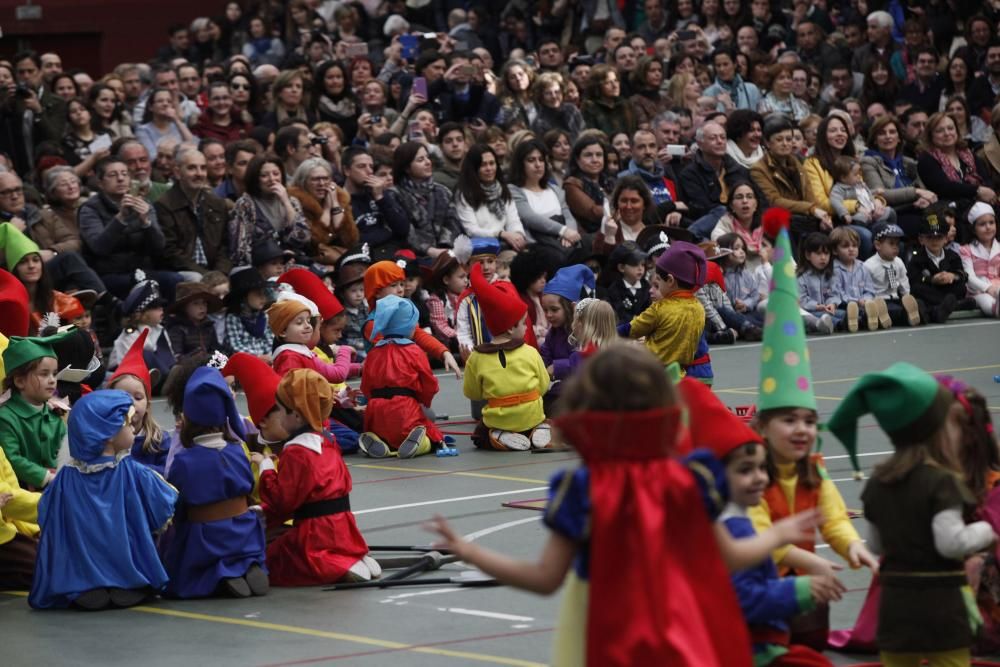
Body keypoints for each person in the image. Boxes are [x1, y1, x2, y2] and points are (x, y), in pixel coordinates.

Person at [430, 345, 762, 666]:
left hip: (612, 642)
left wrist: (470, 551)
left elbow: (545, 578)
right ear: (664, 405)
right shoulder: (688, 480)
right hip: (682, 635)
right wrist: (782, 534)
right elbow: (730, 557)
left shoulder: (584, 490)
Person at [750, 214, 878, 650]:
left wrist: (852, 548)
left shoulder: (812, 468)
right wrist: (818, 565)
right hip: (759, 586)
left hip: (804, 581)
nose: (802, 430)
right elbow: (765, 541)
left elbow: (833, 515)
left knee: (810, 647)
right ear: (763, 427)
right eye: (789, 420)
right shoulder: (751, 476)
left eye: (808, 420)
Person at [828, 363, 996, 667]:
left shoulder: (879, 482)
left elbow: (877, 546)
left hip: (894, 608)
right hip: (940, 609)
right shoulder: (942, 482)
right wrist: (985, 531)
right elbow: (951, 543)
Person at [682, 379, 844, 667]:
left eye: (761, 468)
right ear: (716, 477)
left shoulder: (729, 519)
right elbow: (743, 600)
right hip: (750, 649)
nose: (759, 478)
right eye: (745, 470)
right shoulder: (735, 528)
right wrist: (801, 590)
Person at [28, 389, 178, 610]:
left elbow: (48, 511)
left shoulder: (67, 478)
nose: (132, 428)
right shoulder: (130, 471)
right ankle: (126, 582)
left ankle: (87, 585)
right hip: (124, 552)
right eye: (127, 425)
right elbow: (163, 499)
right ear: (108, 434)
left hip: (82, 561)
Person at [251, 369, 379, 584]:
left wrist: (266, 467)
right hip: (344, 527)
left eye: (282, 410)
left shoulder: (296, 451)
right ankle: (355, 557)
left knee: (275, 559)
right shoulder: (327, 442)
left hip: (316, 532)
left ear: (297, 415)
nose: (279, 415)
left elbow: (283, 502)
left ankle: (338, 566)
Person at [160, 367, 267, 599]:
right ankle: (247, 565)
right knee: (241, 542)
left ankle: (221, 575)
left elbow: (178, 502)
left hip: (206, 535)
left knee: (186, 555)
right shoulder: (238, 451)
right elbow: (248, 486)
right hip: (244, 529)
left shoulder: (184, 461)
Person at [462, 263, 550, 451]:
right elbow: (543, 385)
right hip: (531, 414)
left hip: (499, 418)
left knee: (480, 436)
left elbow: (472, 393)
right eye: (523, 324)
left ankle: (501, 435)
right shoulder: (530, 352)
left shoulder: (477, 357)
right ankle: (538, 429)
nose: (526, 328)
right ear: (511, 328)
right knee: (539, 416)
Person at [78, 157, 181, 301]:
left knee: (175, 280)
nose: (120, 179)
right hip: (110, 274)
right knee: (142, 286)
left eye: (124, 174)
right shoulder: (90, 209)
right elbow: (98, 247)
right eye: (113, 175)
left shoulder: (144, 204)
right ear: (101, 183)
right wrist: (120, 218)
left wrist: (146, 222)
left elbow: (159, 247)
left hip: (143, 271)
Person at [358, 296, 443, 459]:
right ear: (407, 325)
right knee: (431, 434)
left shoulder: (373, 353)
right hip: (405, 408)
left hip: (376, 412)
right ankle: (420, 442)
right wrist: (424, 401)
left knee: (385, 433)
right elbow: (429, 383)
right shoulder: (414, 350)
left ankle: (378, 439)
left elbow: (366, 387)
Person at [624, 241, 707, 371]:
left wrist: (608, 333)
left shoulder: (661, 308)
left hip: (654, 373)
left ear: (670, 280)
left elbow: (631, 330)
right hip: (680, 374)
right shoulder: (699, 308)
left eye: (659, 280)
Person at [801, 115, 874, 258]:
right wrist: (855, 205)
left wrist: (877, 202)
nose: (840, 133)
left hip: (862, 215)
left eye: (843, 130)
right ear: (823, 136)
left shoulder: (853, 161)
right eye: (833, 130)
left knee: (889, 231)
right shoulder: (812, 163)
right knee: (864, 236)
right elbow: (820, 202)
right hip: (833, 221)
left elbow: (863, 189)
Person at [0, 333, 66, 489]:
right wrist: (45, 477)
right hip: (20, 491)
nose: (52, 380)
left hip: (57, 485)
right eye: (44, 374)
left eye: (55, 374)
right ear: (20, 381)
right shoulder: (6, 417)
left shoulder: (53, 413)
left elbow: (65, 448)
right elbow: (11, 458)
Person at [157, 146, 232, 280]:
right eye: (192, 168)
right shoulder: (164, 205)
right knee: (195, 278)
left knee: (245, 273)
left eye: (203, 168)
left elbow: (224, 246)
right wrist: (206, 276)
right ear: (177, 172)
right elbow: (170, 252)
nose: (199, 173)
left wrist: (220, 273)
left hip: (216, 271)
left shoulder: (217, 203)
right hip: (184, 271)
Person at [861, 116, 937, 239]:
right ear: (875, 139)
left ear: (899, 138)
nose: (888, 136)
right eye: (882, 133)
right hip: (895, 214)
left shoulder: (908, 163)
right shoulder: (868, 162)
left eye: (892, 132)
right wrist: (916, 193)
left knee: (938, 226)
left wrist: (924, 200)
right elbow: (880, 195)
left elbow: (924, 191)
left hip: (919, 210)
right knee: (922, 227)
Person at [228, 155, 310, 267]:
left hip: (293, 263)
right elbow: (240, 252)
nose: (272, 179)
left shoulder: (292, 201)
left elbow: (302, 238)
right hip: (261, 267)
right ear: (255, 179)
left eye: (276, 174)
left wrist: (286, 202)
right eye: (264, 176)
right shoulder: (245, 204)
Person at [108, 330, 167, 475]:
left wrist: (136, 471)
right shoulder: (105, 438)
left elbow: (168, 471)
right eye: (123, 396)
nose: (131, 403)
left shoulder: (159, 439)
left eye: (138, 397)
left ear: (147, 405)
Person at [508, 138, 581, 253]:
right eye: (531, 160)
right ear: (520, 164)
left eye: (541, 160)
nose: (538, 165)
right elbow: (530, 218)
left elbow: (568, 216)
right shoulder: (514, 190)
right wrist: (563, 230)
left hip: (564, 240)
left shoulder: (555, 189)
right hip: (539, 244)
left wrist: (570, 234)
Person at [917, 111, 996, 216]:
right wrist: (977, 191)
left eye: (950, 128)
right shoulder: (926, 159)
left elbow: (986, 178)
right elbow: (944, 187)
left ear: (957, 131)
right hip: (950, 211)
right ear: (931, 136)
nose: (947, 133)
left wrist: (988, 191)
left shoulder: (968, 153)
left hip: (981, 206)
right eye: (940, 131)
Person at [393, 142, 463, 258]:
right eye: (420, 160)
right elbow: (405, 230)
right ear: (406, 168)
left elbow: (452, 222)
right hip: (413, 256)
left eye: (427, 157)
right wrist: (429, 250)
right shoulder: (395, 195)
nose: (428, 162)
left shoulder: (442, 191)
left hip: (446, 252)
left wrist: (444, 247)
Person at [268, 297, 358, 385]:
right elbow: (293, 392)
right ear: (283, 331)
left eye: (308, 321)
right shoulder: (289, 357)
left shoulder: (301, 353)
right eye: (299, 322)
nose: (307, 326)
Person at [288, 158, 357, 270]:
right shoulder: (295, 202)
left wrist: (335, 203)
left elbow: (350, 239)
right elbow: (316, 242)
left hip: (340, 259)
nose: (321, 184)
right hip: (310, 261)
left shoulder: (339, 198)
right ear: (303, 181)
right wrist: (326, 209)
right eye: (315, 179)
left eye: (325, 178)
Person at [455, 144, 526, 250]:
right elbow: (471, 230)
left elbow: (513, 220)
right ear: (474, 168)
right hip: (483, 249)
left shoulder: (503, 189)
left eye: (492, 163)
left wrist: (518, 235)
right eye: (483, 165)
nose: (489, 168)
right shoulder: (464, 194)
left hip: (507, 244)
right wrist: (501, 234)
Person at [908, 208, 970, 323]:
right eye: (930, 237)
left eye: (939, 237)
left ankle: (933, 310)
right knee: (918, 291)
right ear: (921, 239)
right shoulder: (917, 258)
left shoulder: (953, 256)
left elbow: (964, 275)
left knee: (961, 288)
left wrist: (952, 276)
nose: (934, 241)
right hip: (930, 290)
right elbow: (914, 280)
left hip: (947, 289)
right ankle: (943, 308)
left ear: (946, 238)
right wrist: (932, 279)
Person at [830, 226, 891, 332]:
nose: (851, 249)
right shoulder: (834, 269)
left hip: (863, 304)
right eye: (845, 246)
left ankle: (876, 317)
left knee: (881, 307)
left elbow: (869, 290)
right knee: (849, 313)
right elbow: (837, 294)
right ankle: (869, 318)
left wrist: (865, 299)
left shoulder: (863, 267)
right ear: (835, 250)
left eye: (854, 245)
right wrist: (857, 301)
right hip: (845, 305)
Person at [864, 223, 922, 326]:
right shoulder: (869, 265)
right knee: (891, 311)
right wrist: (869, 301)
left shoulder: (898, 262)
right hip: (880, 300)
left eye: (897, 244)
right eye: (891, 243)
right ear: (878, 245)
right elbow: (866, 288)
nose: (896, 247)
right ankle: (891, 316)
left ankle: (913, 313)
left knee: (919, 304)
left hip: (896, 298)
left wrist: (906, 296)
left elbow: (903, 280)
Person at [563, 135, 615, 236]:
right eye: (588, 155)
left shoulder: (610, 181)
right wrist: (623, 211)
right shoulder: (572, 184)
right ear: (577, 160)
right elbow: (594, 212)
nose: (595, 160)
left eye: (599, 155)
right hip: (592, 238)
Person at [829, 156, 896, 228]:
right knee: (861, 218)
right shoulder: (839, 189)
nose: (859, 176)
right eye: (855, 174)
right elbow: (835, 200)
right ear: (843, 178)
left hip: (873, 211)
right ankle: (875, 229)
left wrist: (875, 192)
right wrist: (844, 213)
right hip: (859, 214)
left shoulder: (859, 183)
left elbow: (865, 194)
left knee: (890, 211)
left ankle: (892, 230)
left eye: (859, 173)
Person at [796, 232, 844, 331]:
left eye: (826, 253)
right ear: (808, 255)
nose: (823, 258)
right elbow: (801, 300)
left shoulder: (831, 274)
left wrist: (832, 304)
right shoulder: (801, 276)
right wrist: (817, 306)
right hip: (811, 311)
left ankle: (860, 319)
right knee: (823, 317)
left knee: (842, 313)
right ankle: (841, 324)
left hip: (827, 309)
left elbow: (834, 293)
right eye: (818, 253)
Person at [223, 266, 273, 359]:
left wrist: (269, 356)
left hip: (266, 359)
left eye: (264, 293)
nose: (263, 297)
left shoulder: (264, 317)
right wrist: (258, 357)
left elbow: (270, 341)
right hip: (243, 361)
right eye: (258, 294)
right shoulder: (233, 318)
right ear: (244, 297)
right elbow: (235, 346)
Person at [960, 202, 1000, 317]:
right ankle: (996, 309)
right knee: (986, 301)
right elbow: (970, 277)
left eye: (991, 223)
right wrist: (988, 288)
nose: (988, 227)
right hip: (977, 290)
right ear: (973, 229)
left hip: (998, 285)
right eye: (982, 224)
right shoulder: (967, 250)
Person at [135, 88, 194, 159]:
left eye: (169, 101)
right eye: (160, 101)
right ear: (151, 107)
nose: (165, 104)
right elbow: (152, 156)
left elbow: (193, 145)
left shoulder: (179, 125)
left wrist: (176, 119)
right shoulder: (143, 130)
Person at [581, 64, 636, 139]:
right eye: (608, 82)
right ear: (597, 86)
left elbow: (633, 131)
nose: (614, 85)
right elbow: (592, 135)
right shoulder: (590, 107)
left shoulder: (625, 104)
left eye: (616, 81)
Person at [530, 72, 586, 142]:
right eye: (548, 93)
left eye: (557, 92)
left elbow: (583, 133)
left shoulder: (572, 110)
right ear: (541, 96)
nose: (554, 96)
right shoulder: (539, 123)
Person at [603, 243, 650, 324]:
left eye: (642, 264)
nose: (640, 268)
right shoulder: (614, 290)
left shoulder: (647, 287)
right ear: (621, 268)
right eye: (635, 264)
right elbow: (618, 315)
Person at [705, 46, 762, 111]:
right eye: (718, 65)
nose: (722, 69)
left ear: (735, 64)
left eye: (725, 64)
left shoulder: (751, 89)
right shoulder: (708, 93)